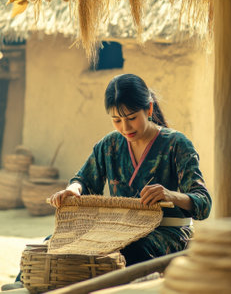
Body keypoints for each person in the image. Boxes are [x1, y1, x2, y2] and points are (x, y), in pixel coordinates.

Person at [49, 73, 211, 266]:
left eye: (132, 118)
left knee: (128, 251)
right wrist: (73, 189)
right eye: (116, 120)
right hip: (119, 230)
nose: (125, 127)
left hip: (168, 233)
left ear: (149, 109)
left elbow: (204, 203)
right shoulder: (109, 145)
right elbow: (83, 181)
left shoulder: (177, 144)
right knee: (54, 244)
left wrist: (170, 195)